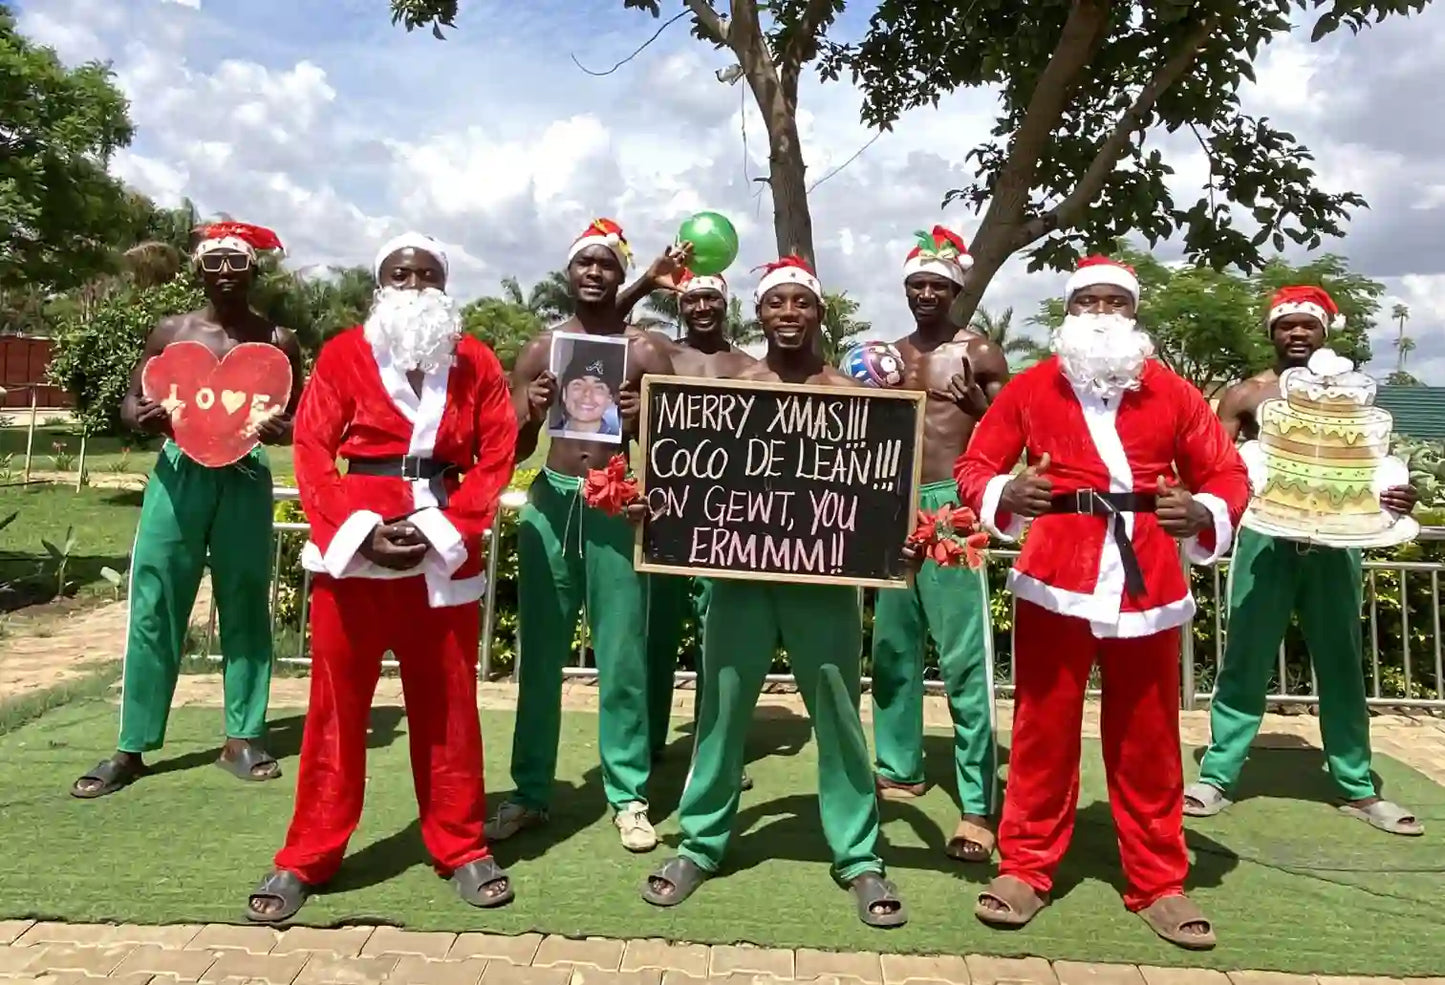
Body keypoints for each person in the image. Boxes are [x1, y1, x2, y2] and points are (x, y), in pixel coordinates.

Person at [954, 255, 1250, 950]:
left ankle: (1158, 880)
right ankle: (1025, 865)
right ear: (1068, 312)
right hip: (1055, 572)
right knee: (1039, 728)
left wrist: (1201, 510)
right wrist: (1004, 495)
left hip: (1146, 574)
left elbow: (1226, 472)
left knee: (1147, 737)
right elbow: (974, 465)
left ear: (1132, 314)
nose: (1099, 313)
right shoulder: (1030, 388)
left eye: (1113, 302)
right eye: (1085, 301)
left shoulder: (1172, 393)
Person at [244, 232, 518, 923]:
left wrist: (443, 527)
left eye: (427, 276)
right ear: (380, 284)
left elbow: (498, 452)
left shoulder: (474, 359)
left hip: (442, 552)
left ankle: (460, 844)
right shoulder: (342, 354)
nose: (414, 286)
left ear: (444, 286)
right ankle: (306, 854)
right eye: (401, 275)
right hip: (356, 550)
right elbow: (310, 448)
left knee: (449, 711)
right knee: (336, 710)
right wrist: (361, 527)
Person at [639, 256, 907, 929]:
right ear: (757, 313)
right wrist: (658, 510)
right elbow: (685, 476)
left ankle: (858, 854)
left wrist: (891, 537)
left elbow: (878, 486)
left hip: (822, 584)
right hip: (738, 579)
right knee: (721, 713)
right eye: (776, 304)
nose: (789, 314)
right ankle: (701, 841)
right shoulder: (730, 386)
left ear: (819, 314)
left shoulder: (852, 393)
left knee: (840, 715)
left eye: (802, 304)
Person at [70, 221, 302, 799]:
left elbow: (301, 417)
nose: (226, 272)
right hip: (178, 476)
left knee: (246, 598)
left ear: (254, 269)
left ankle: (242, 736)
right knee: (154, 601)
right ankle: (133, 744)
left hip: (244, 477)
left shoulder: (279, 340)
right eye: (215, 261)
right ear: (198, 269)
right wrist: (136, 417)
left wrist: (281, 429)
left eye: (237, 262)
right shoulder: (170, 332)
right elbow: (133, 397)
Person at [1183, 285, 1422, 835]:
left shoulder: (1358, 398)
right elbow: (1215, 471)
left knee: (1341, 660)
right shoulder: (1246, 396)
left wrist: (1397, 498)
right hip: (1266, 542)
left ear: (1324, 332)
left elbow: (1377, 468)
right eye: (1285, 325)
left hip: (1339, 544)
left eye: (1306, 326)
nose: (1296, 333)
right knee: (1245, 654)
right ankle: (1218, 775)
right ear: (1271, 332)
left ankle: (1357, 785)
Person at [493, 218, 676, 852]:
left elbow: (683, 447)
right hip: (550, 500)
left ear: (622, 275)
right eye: (584, 264)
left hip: (615, 505)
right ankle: (529, 791)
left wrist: (644, 416)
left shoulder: (648, 350)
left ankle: (627, 794)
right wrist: (533, 411)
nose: (594, 273)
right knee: (539, 656)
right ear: (568, 273)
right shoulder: (542, 350)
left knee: (622, 654)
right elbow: (512, 447)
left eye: (606, 264)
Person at [869, 225, 1010, 863]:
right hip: (893, 507)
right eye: (916, 284)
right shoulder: (885, 356)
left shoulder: (980, 351)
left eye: (938, 284)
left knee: (963, 660)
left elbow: (1013, 435)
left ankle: (979, 804)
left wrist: (980, 402)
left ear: (956, 288)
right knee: (893, 648)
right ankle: (898, 766)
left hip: (952, 510)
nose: (926, 293)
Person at [634, 263, 759, 788]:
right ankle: (648, 738)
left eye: (711, 299)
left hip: (726, 513)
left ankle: (717, 745)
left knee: (720, 635)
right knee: (655, 630)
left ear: (725, 305)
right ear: (679, 307)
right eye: (692, 300)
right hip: (665, 507)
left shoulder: (750, 366)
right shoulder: (661, 353)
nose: (702, 307)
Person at [552, 343, 623, 438]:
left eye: (598, 387)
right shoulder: (554, 433)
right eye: (578, 385)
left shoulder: (617, 439)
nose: (587, 393)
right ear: (564, 393)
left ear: (610, 399)